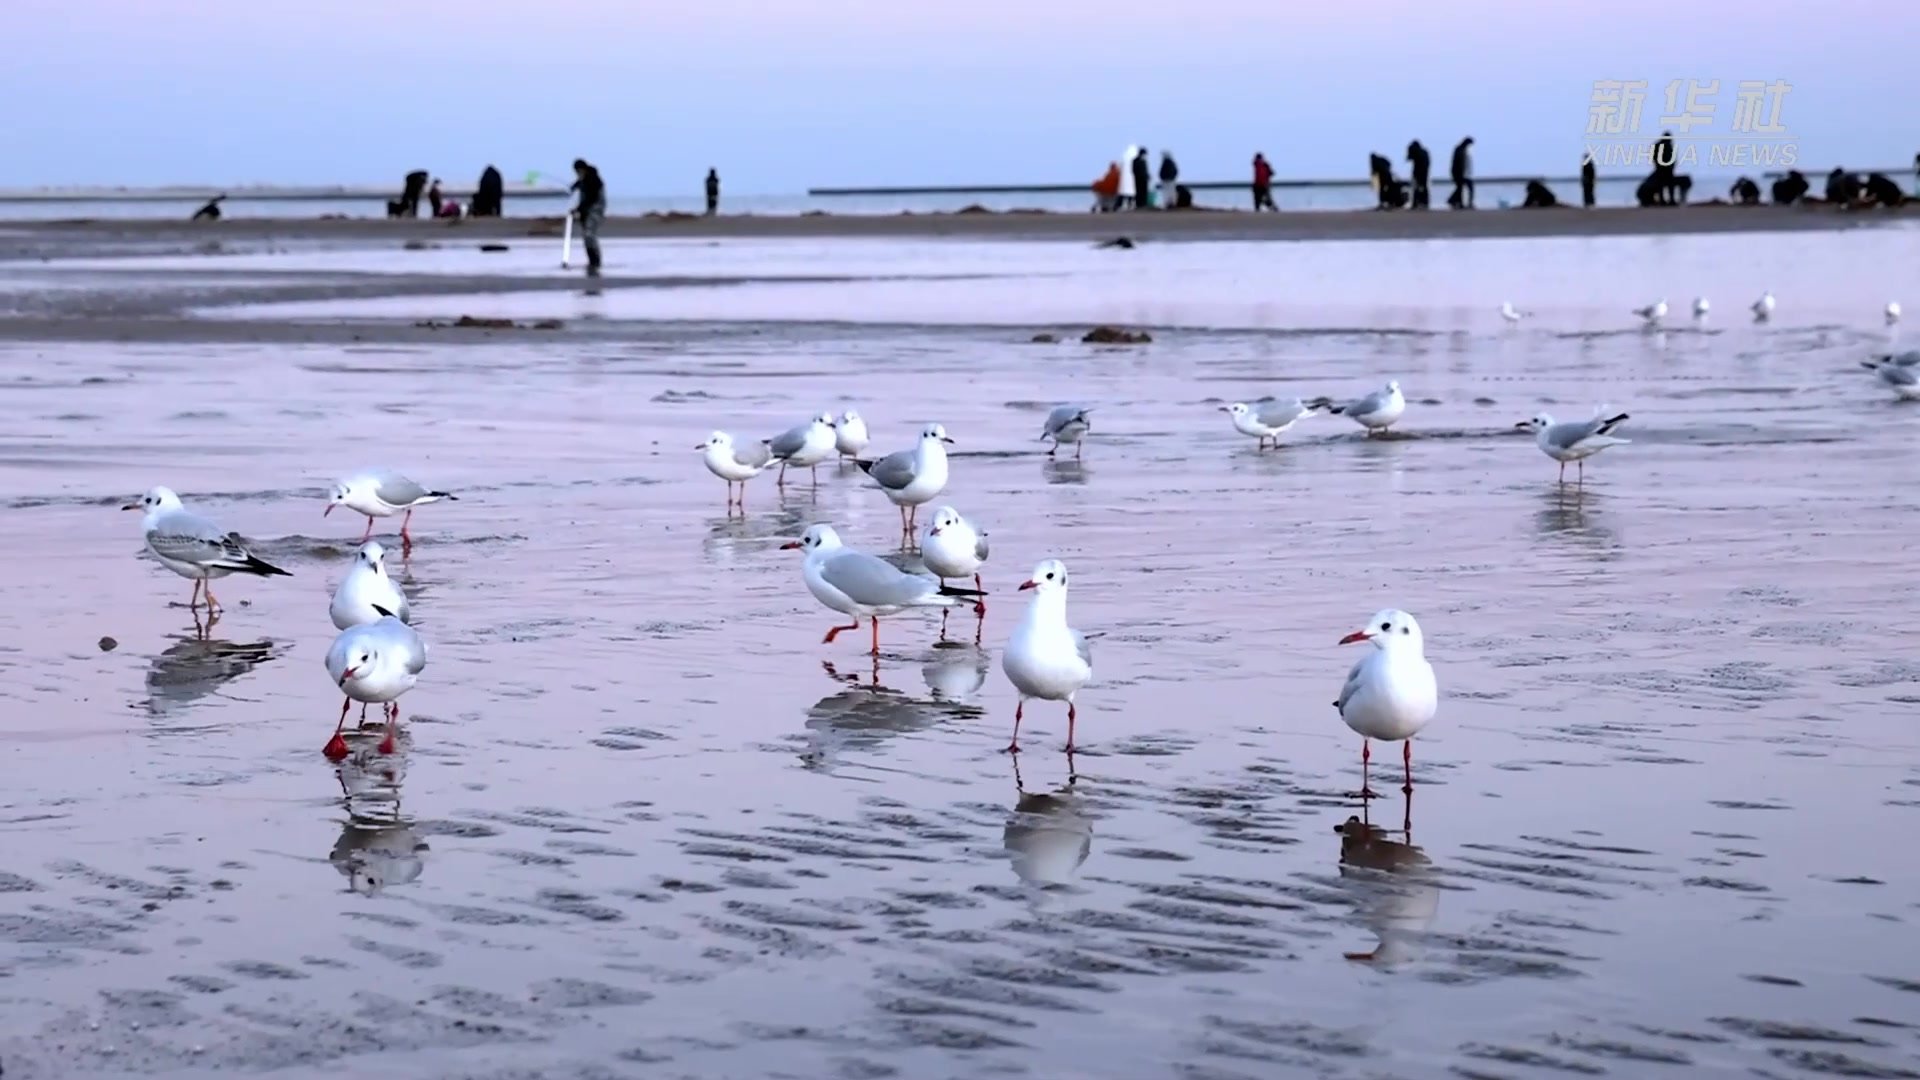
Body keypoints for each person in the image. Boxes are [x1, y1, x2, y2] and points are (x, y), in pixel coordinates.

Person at [570, 158, 607, 276]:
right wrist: (573, 186)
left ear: (583, 169)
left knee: (590, 234)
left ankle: (596, 261)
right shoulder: (584, 178)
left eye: (578, 171)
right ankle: (591, 261)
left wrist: (577, 209)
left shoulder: (593, 179)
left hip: (595, 209)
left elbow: (590, 199)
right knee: (586, 236)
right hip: (586, 211)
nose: (577, 174)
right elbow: (579, 184)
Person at [1448, 137, 1474, 208]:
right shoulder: (1460, 150)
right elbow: (1458, 162)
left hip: (1463, 173)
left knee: (1460, 188)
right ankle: (1458, 202)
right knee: (1461, 188)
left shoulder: (1462, 150)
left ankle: (1456, 201)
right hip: (1459, 173)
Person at [1405, 140, 1431, 209]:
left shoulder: (1414, 150)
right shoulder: (1425, 151)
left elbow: (1408, 158)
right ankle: (1424, 203)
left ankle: (1415, 203)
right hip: (1425, 171)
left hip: (1417, 172)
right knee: (1424, 187)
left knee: (1416, 187)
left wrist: (1409, 150)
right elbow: (1428, 162)